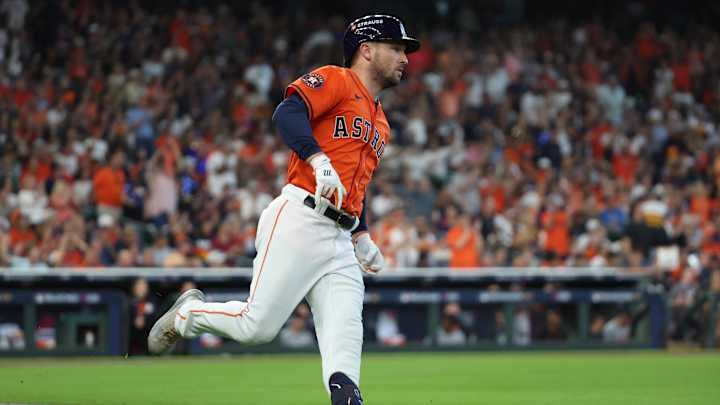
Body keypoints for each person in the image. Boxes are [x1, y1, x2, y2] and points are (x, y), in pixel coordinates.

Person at [148, 14, 420, 405]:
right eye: (396, 48)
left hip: (340, 241)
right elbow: (286, 113)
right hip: (300, 217)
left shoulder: (382, 121)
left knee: (344, 361)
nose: (404, 57)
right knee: (255, 328)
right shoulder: (337, 79)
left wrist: (360, 233)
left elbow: (356, 184)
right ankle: (187, 315)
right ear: (367, 49)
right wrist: (317, 159)